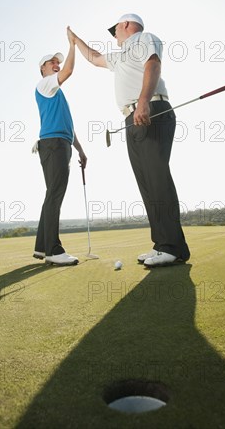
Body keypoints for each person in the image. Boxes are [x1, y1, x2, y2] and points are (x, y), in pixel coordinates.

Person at [68, 14, 190, 267]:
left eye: (115, 30)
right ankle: (161, 245)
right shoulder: (119, 56)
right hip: (130, 117)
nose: (114, 36)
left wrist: (143, 101)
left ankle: (174, 247)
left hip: (151, 110)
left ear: (126, 25)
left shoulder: (144, 39)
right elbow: (94, 58)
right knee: (146, 183)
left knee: (157, 178)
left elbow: (153, 65)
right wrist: (75, 40)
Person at [33, 26, 87, 266]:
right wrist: (73, 44)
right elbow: (69, 71)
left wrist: (80, 150)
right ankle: (54, 250)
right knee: (55, 194)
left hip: (59, 143)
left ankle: (42, 248)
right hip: (53, 144)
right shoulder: (45, 84)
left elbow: (68, 127)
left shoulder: (56, 92)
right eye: (51, 62)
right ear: (43, 68)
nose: (56, 64)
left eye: (57, 62)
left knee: (51, 194)